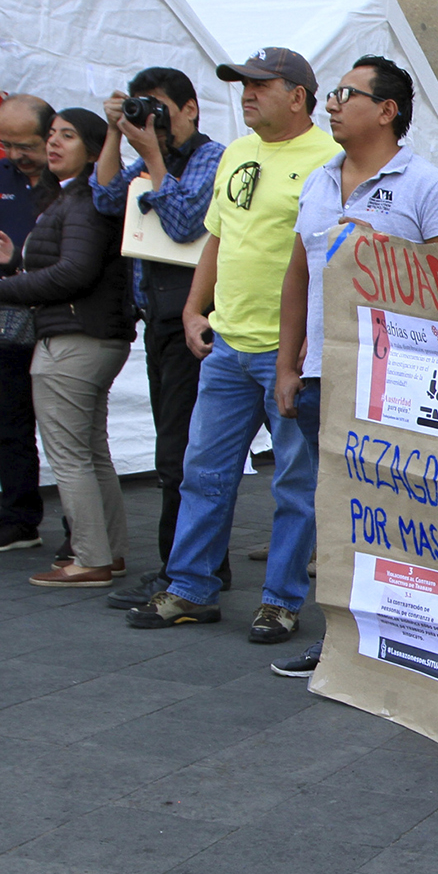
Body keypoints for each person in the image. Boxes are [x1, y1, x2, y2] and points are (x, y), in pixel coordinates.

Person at [124, 47, 338, 642]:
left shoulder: (330, 159)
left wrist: (307, 347)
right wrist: (195, 308)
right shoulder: (237, 153)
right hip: (227, 345)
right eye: (242, 84)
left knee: (293, 483)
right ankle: (190, 587)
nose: (246, 94)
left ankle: (280, 600)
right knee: (203, 473)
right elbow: (216, 237)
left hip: (287, 353)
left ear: (297, 95)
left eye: (259, 85)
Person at [268, 56, 438, 675]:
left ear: (387, 111)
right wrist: (286, 363)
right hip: (324, 375)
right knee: (337, 511)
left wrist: (388, 260)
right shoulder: (317, 182)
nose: (330, 104)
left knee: (399, 513)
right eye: (332, 94)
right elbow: (299, 273)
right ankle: (342, 639)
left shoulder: (426, 187)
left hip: (400, 382)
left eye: (344, 94)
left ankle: (409, 639)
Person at [89, 67, 230, 603]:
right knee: (174, 450)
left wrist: (150, 159)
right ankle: (191, 566)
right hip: (158, 319)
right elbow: (104, 199)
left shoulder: (212, 157)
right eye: (141, 109)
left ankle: (185, 570)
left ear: (191, 109)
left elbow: (185, 221)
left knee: (182, 454)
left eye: (160, 110)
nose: (152, 121)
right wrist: (114, 133)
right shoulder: (152, 155)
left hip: (194, 321)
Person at [0, 109, 134, 587]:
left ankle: (90, 558)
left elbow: (75, 272)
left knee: (70, 455)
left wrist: (7, 290)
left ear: (92, 148)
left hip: (73, 338)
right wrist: (13, 261)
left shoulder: (84, 198)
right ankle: (108, 552)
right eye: (51, 135)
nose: (53, 144)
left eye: (67, 136)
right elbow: (67, 265)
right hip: (86, 335)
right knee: (91, 451)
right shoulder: (71, 198)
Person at [0, 94, 58, 554]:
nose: (15, 155)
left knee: (65, 427)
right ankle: (19, 518)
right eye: (6, 144)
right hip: (7, 316)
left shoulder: (71, 181)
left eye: (27, 145)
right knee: (8, 420)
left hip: (59, 317)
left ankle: (84, 533)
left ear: (50, 136)